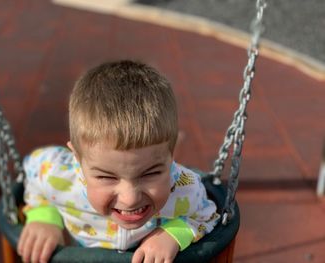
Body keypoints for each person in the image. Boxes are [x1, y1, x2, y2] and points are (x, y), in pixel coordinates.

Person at [17, 60, 220, 263]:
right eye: (106, 176)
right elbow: (33, 170)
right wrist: (44, 216)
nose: (130, 198)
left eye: (150, 173)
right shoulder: (58, 175)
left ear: (170, 155)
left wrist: (172, 235)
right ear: (77, 158)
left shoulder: (183, 187)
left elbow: (205, 213)